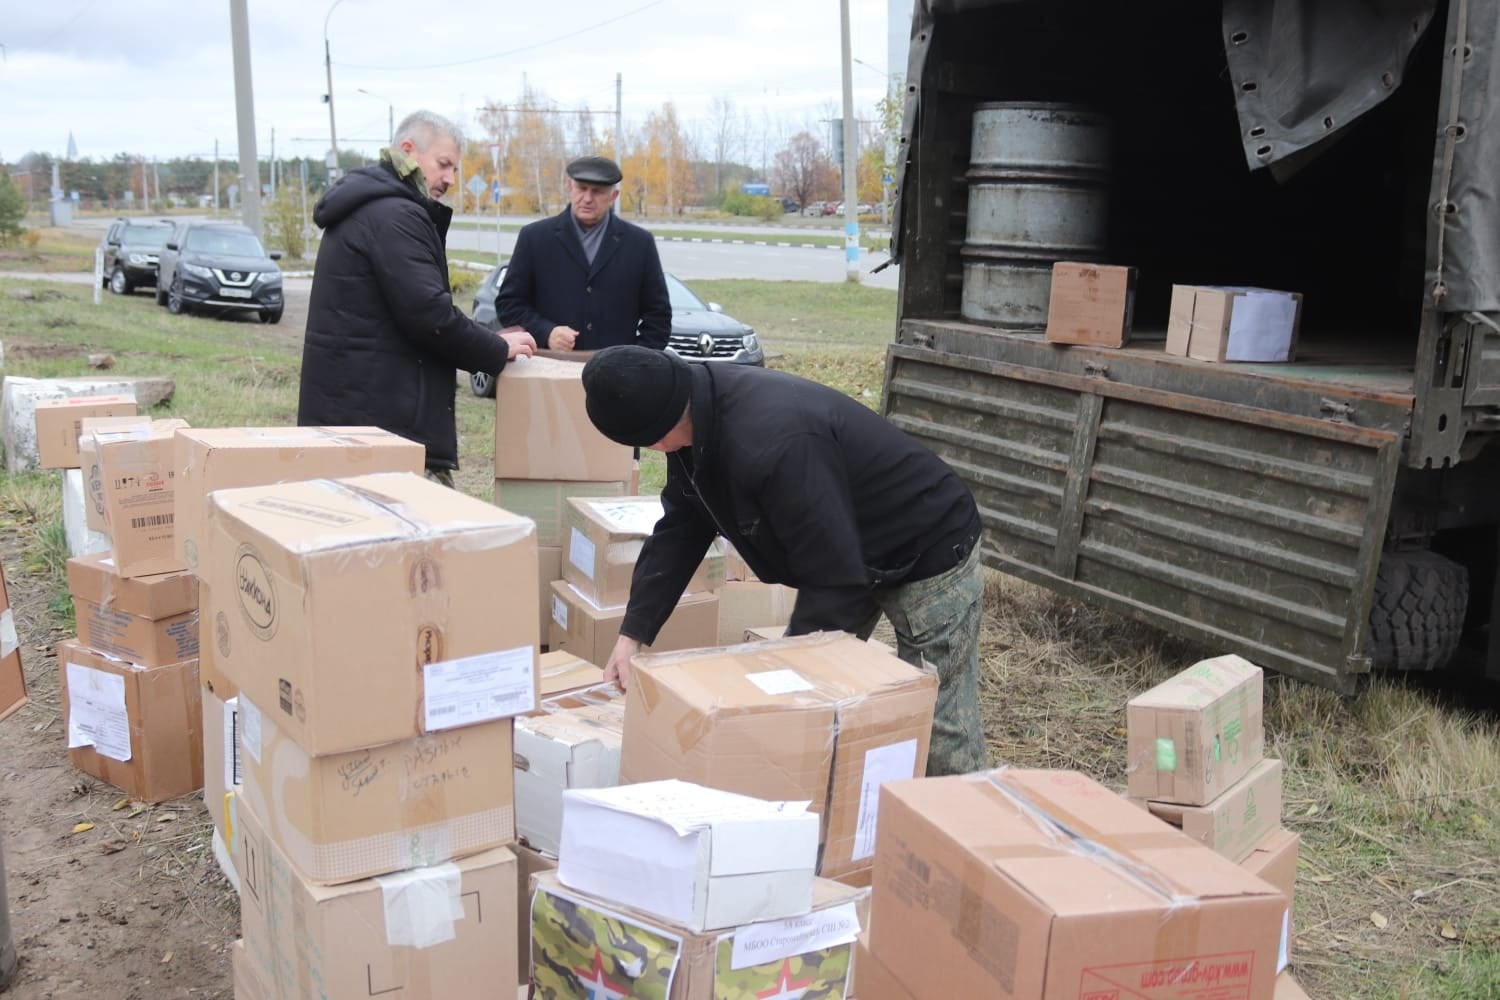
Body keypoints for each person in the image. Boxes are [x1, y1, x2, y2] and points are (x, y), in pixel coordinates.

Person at [581, 345, 990, 777]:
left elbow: (833, 581)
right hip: (847, 543)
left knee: (934, 720)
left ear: (655, 437)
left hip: (926, 540)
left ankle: (970, 827)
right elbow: (682, 527)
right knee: (829, 701)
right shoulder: (692, 413)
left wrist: (789, 681)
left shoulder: (774, 442)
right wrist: (633, 634)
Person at [298, 110, 536, 485]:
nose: (450, 179)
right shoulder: (394, 215)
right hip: (384, 433)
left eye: (455, 169)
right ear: (408, 149)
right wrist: (494, 347)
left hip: (358, 421)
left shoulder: (372, 207)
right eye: (444, 165)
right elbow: (430, 316)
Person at [495, 155, 672, 352]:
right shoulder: (535, 238)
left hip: (617, 377)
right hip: (549, 370)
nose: (587, 198)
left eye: (597, 191)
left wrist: (635, 361)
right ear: (569, 186)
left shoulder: (639, 244)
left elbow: (659, 316)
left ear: (614, 196)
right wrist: (546, 332)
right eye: (581, 188)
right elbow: (508, 305)